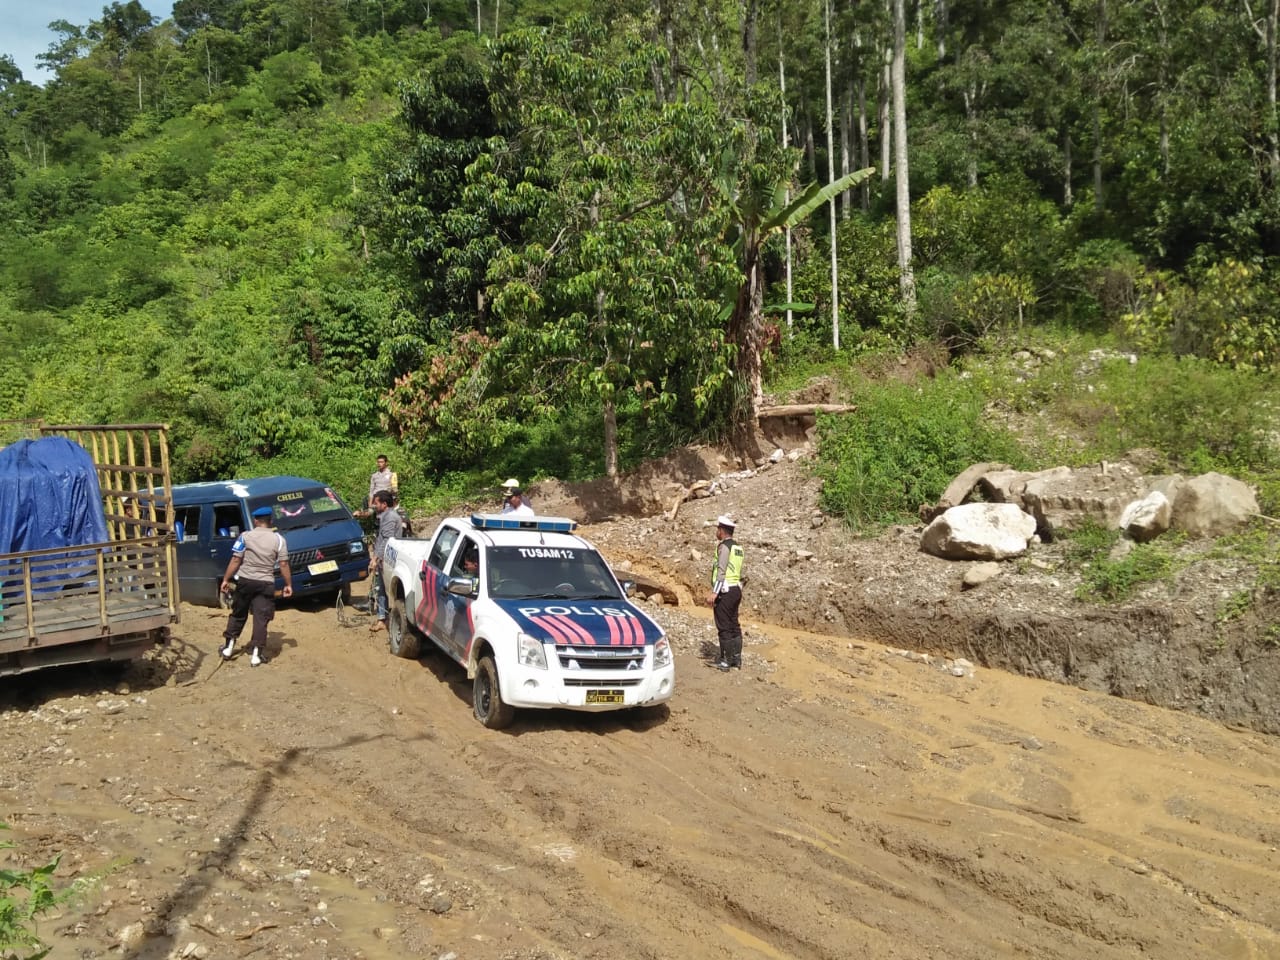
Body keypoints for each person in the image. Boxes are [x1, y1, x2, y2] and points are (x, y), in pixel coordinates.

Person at [219, 506, 292, 666]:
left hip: (245, 581)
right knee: (261, 618)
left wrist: (226, 579)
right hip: (265, 583)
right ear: (270, 521)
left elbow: (236, 559)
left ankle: (228, 648)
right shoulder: (279, 539)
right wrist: (288, 584)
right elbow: (284, 564)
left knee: (238, 613)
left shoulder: (245, 536)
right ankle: (256, 656)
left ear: (255, 521)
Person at [704, 515, 745, 671]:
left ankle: (725, 661)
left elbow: (721, 571)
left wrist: (714, 593)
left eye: (717, 529)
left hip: (725, 590)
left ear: (721, 531)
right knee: (734, 624)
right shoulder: (738, 548)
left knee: (724, 626)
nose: (716, 531)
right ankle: (736, 659)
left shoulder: (724, 547)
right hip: (736, 589)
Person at [368, 490, 403, 632]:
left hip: (388, 559)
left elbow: (387, 540)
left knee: (386, 589)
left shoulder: (389, 517)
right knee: (380, 588)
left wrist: (376, 558)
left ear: (384, 504)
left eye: (376, 503)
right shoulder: (386, 516)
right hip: (384, 558)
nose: (374, 506)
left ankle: (390, 619)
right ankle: (382, 618)